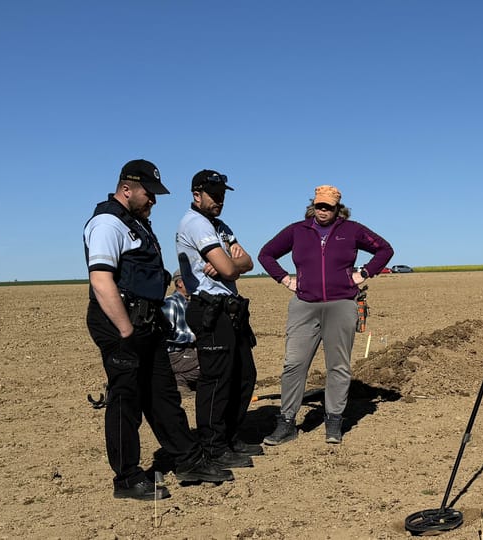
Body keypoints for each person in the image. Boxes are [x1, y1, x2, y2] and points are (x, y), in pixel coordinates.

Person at [83, 159, 233, 501]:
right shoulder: (108, 222)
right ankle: (127, 478)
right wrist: (125, 331)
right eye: (149, 193)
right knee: (126, 400)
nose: (154, 200)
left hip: (146, 322)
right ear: (127, 189)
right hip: (121, 323)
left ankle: (188, 460)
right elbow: (102, 280)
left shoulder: (135, 223)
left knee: (163, 394)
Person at [258, 185, 394, 445]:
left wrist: (363, 274)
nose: (323, 211)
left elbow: (385, 250)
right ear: (313, 205)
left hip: (341, 304)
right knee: (294, 364)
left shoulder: (352, 230)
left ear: (337, 208)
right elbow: (266, 254)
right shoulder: (297, 230)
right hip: (304, 305)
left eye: (328, 207)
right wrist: (285, 280)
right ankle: (286, 422)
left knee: (338, 366)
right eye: (319, 205)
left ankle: (334, 421)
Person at [176, 169, 259, 469]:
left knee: (244, 374)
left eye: (223, 194)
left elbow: (248, 261)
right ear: (197, 194)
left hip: (231, 308)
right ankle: (213, 445)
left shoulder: (220, 226)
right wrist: (230, 263)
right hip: (209, 307)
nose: (219, 200)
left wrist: (232, 263)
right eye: (214, 194)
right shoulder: (196, 224)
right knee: (217, 379)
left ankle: (232, 437)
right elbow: (228, 269)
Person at [162, 269, 200, 390]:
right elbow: (167, 333)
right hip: (175, 354)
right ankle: (179, 380)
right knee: (210, 359)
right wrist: (192, 337)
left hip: (187, 352)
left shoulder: (190, 303)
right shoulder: (170, 303)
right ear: (180, 283)